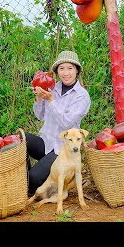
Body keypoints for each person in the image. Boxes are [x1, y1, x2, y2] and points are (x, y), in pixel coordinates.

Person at [26, 50, 91, 196]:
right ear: (57, 72)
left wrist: (50, 100)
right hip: (46, 142)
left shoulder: (82, 96)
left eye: (70, 68)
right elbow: (40, 115)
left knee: (33, 178)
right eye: (61, 68)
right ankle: (29, 176)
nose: (66, 73)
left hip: (62, 149)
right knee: (20, 139)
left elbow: (67, 122)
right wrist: (38, 98)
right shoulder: (52, 88)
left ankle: (34, 183)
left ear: (77, 71)